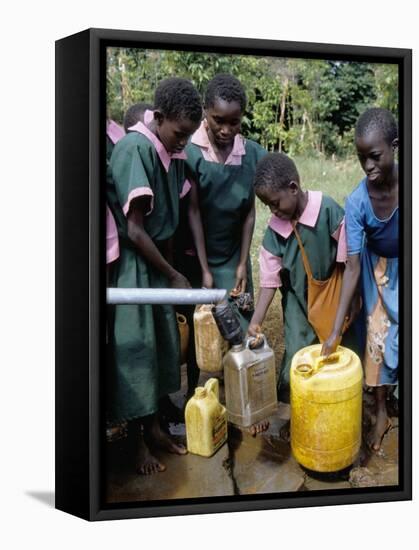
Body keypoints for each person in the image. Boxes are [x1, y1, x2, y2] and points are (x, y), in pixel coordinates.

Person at [107, 77, 211, 475]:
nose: (184, 142)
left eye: (188, 136)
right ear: (160, 118)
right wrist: (171, 274)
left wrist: (173, 274)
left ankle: (153, 431)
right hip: (136, 268)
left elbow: (172, 215)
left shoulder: (172, 151)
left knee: (160, 350)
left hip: (157, 266)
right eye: (180, 134)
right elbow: (134, 230)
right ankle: (136, 445)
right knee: (136, 354)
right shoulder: (136, 149)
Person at [180, 74, 267, 424]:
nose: (226, 129)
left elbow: (249, 212)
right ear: (205, 113)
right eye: (218, 120)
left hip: (235, 255)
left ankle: (242, 402)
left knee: (239, 330)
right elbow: (194, 211)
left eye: (234, 121)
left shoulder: (252, 154)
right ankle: (193, 401)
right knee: (199, 333)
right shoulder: (190, 153)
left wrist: (244, 263)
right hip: (199, 255)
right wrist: (203, 269)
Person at [322, 108, 399, 453]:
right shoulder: (356, 202)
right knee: (378, 341)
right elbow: (352, 266)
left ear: (395, 146)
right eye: (361, 158)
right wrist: (336, 330)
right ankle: (381, 410)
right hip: (377, 272)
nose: (368, 166)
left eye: (375, 156)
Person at [248, 152, 348, 406]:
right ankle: (296, 403)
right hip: (296, 301)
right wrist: (256, 321)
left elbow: (350, 259)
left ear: (293, 188)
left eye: (275, 203)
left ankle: (336, 398)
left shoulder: (327, 210)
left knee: (338, 349)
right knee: (298, 352)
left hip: (333, 292)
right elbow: (269, 281)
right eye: (267, 206)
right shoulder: (274, 230)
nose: (273, 210)